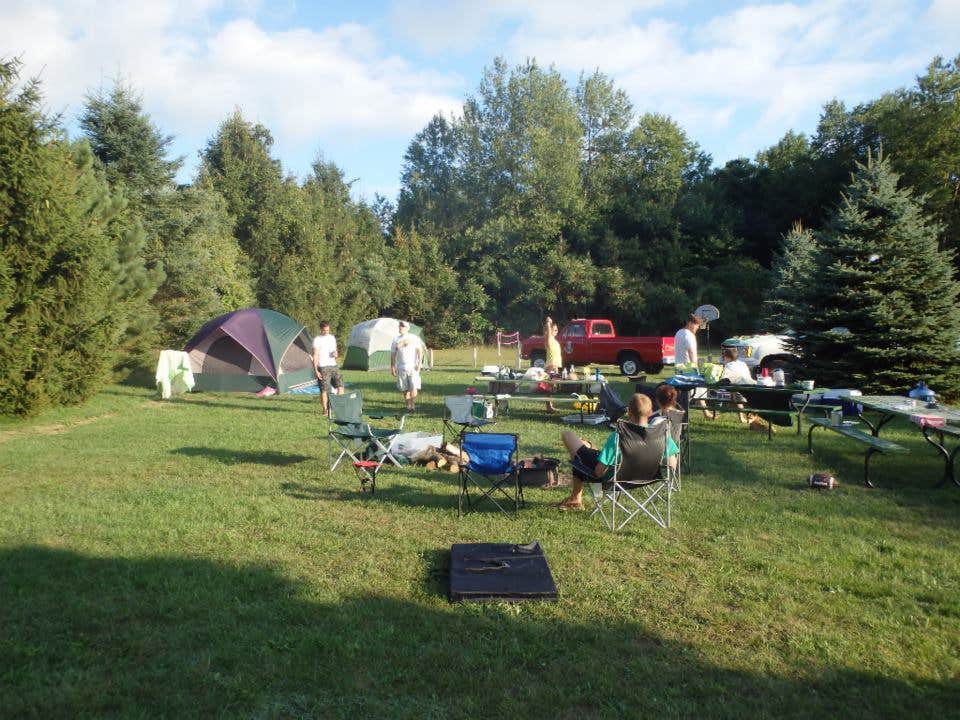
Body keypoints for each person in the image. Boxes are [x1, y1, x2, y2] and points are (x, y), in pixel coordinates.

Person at [556, 393, 678, 510]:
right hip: (648, 477)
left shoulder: (619, 436)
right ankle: (576, 496)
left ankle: (575, 498)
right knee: (585, 446)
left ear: (629, 412)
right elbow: (672, 465)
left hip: (614, 478)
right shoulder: (662, 435)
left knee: (568, 435)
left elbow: (598, 472)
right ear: (650, 412)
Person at [312, 320, 343, 416]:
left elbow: (335, 352)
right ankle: (325, 410)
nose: (326, 332)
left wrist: (336, 354)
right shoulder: (317, 340)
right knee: (324, 389)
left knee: (340, 387)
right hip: (323, 366)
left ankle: (337, 407)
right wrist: (316, 370)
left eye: (328, 330)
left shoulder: (332, 338)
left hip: (333, 365)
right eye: (324, 330)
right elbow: (315, 355)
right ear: (321, 329)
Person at [390, 320, 423, 412]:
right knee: (403, 388)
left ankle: (412, 404)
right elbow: (393, 354)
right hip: (401, 367)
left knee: (413, 386)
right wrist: (392, 366)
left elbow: (419, 351)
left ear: (407, 328)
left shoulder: (413, 337)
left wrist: (419, 363)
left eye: (402, 326)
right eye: (399, 326)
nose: (400, 327)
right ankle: (408, 405)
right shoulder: (396, 339)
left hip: (413, 367)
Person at [543, 316, 563, 413]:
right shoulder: (548, 339)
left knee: (553, 387)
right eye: (553, 330)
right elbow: (548, 333)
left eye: (556, 330)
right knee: (549, 388)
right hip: (550, 367)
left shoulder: (554, 341)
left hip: (555, 367)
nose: (556, 331)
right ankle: (549, 407)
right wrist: (548, 323)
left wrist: (557, 369)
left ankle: (550, 406)